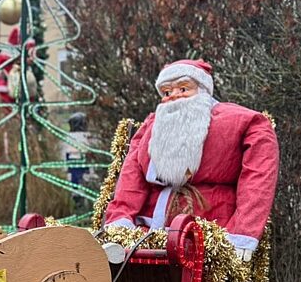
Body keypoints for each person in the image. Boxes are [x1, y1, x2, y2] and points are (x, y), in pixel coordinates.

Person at [102, 59, 278, 261]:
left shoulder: (242, 122)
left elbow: (258, 181)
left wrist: (241, 234)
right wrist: (120, 223)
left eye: (184, 88)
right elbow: (131, 180)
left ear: (202, 89)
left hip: (208, 234)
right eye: (167, 92)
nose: (174, 96)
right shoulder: (151, 127)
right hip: (146, 235)